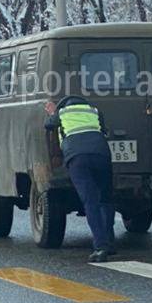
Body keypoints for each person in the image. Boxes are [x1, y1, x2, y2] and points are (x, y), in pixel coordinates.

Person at [45, 96, 115, 262]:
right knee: (106, 198)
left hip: (77, 158)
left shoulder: (61, 113)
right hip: (101, 154)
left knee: (91, 202)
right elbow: (103, 129)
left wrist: (53, 112)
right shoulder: (94, 111)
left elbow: (48, 125)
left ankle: (100, 247)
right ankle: (110, 242)